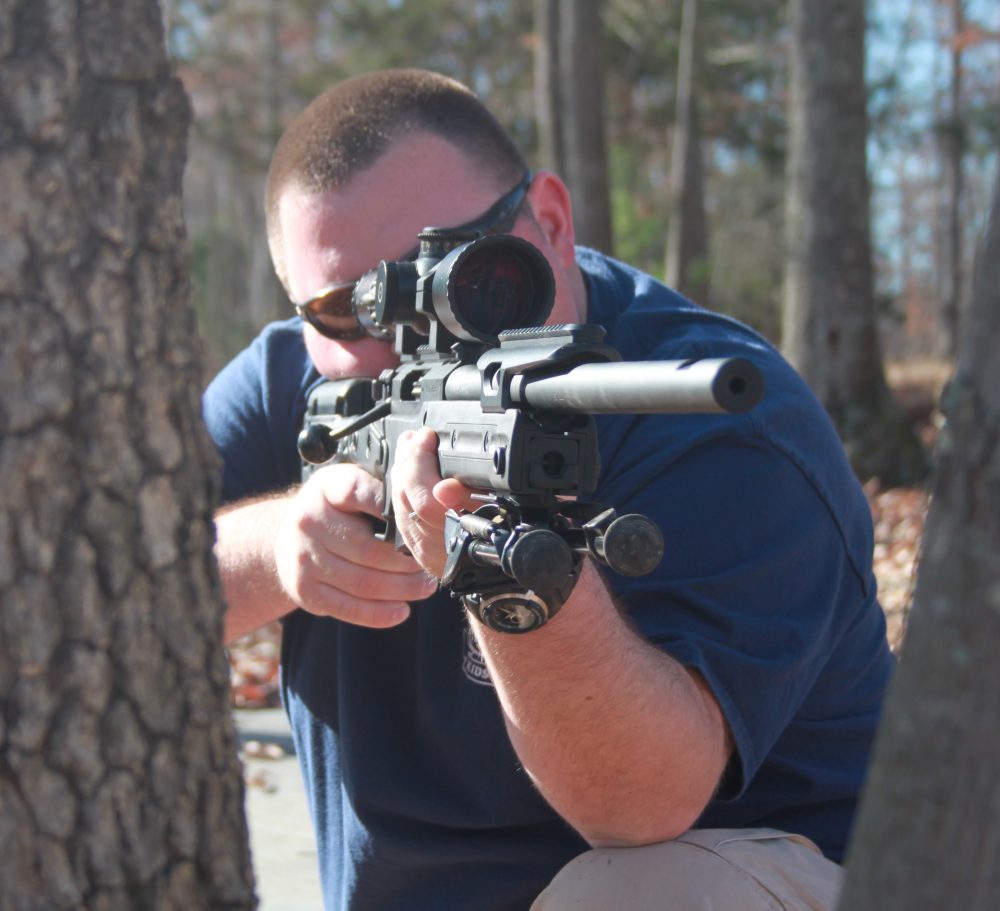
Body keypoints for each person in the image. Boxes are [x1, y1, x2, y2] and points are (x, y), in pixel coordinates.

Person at [204, 69, 894, 911]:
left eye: (463, 273)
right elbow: (110, 590)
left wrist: (514, 573)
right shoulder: (292, 384)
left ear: (553, 225)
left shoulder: (724, 426)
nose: (411, 334)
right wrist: (281, 550)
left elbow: (640, 804)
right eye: (350, 310)